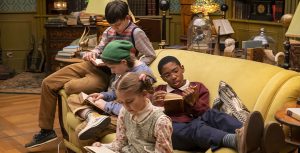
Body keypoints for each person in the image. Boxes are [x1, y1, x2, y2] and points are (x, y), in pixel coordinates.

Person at [25, 0, 156, 148]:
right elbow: (99, 49)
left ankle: (90, 116)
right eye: (111, 24)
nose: (114, 28)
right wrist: (92, 53)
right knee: (48, 82)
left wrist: (129, 66)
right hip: (94, 65)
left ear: (127, 18)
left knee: (69, 88)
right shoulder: (109, 30)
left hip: (109, 73)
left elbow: (150, 55)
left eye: (118, 24)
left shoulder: (136, 33)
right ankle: (46, 130)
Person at [152, 56, 284, 153]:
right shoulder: (158, 92)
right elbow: (147, 115)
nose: (173, 77)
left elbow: (204, 112)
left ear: (182, 68)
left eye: (175, 71)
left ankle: (251, 133)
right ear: (163, 78)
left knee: (213, 114)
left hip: (199, 124)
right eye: (167, 75)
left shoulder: (197, 87)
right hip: (175, 130)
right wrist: (152, 103)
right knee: (197, 127)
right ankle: (236, 141)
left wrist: (193, 103)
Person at [67, 40, 156, 140]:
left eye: (112, 67)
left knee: (81, 130)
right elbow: (117, 92)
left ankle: (93, 117)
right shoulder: (124, 68)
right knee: (73, 98)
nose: (112, 71)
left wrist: (105, 106)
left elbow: (134, 109)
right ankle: (93, 116)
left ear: (123, 62)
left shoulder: (141, 75)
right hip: (112, 107)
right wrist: (103, 95)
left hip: (127, 117)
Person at [92, 72, 173, 153]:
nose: (126, 107)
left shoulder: (161, 122)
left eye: (129, 101)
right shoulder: (124, 112)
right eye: (121, 102)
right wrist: (101, 147)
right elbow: (119, 144)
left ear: (144, 94)